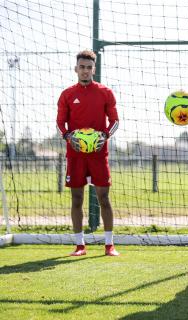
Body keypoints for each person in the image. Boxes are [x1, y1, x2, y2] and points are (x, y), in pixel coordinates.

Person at [56, 49, 120, 257]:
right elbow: (59, 123)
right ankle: (79, 245)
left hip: (98, 155)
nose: (85, 71)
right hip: (75, 155)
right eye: (82, 67)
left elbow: (115, 121)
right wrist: (68, 137)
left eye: (89, 67)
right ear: (76, 69)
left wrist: (104, 137)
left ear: (94, 69)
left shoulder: (105, 92)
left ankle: (109, 245)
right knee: (76, 199)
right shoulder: (67, 94)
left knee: (104, 198)